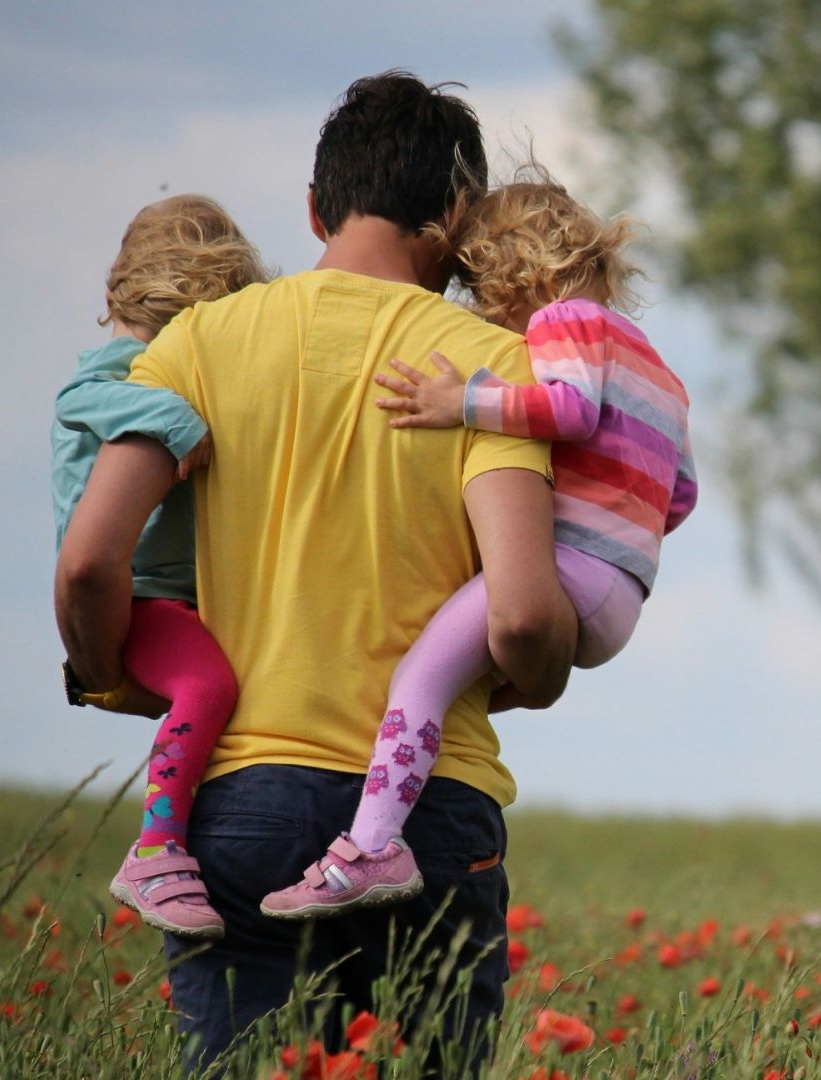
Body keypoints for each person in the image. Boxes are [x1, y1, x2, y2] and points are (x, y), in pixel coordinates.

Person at [55, 71, 576, 1066]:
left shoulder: (197, 344)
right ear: (457, 215)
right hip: (429, 813)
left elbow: (88, 562)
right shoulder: (488, 369)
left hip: (241, 801)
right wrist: (538, 678)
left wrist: (111, 672)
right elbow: (520, 617)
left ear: (313, 207)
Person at [261, 175, 698, 918]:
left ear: (514, 272)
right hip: (623, 592)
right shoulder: (660, 369)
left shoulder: (565, 322)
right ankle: (395, 809)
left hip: (569, 570)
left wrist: (458, 401)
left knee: (419, 679)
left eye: (480, 289)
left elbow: (567, 408)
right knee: (457, 682)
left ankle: (371, 847)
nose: (485, 312)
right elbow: (680, 495)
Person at [52, 194, 268, 939]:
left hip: (175, 597)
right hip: (140, 596)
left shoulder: (152, 363)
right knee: (208, 684)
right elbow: (80, 397)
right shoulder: (121, 370)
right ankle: (157, 848)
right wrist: (177, 420)